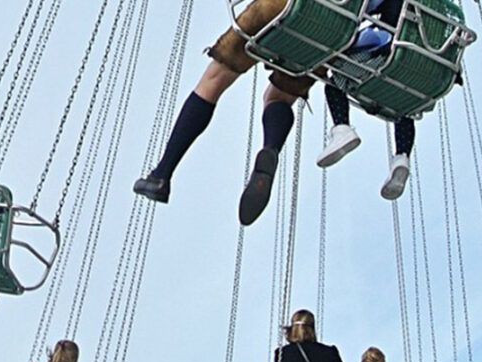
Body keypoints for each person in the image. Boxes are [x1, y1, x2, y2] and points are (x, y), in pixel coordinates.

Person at [132, 0, 320, 227]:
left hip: (280, 6)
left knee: (213, 80)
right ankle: (271, 148)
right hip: (331, 32)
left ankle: (161, 175)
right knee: (279, 97)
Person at [317, 0, 415, 200]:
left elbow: (360, 8)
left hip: (386, 55)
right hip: (414, 64)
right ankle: (402, 157)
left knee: (335, 80)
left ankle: (342, 128)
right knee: (404, 109)